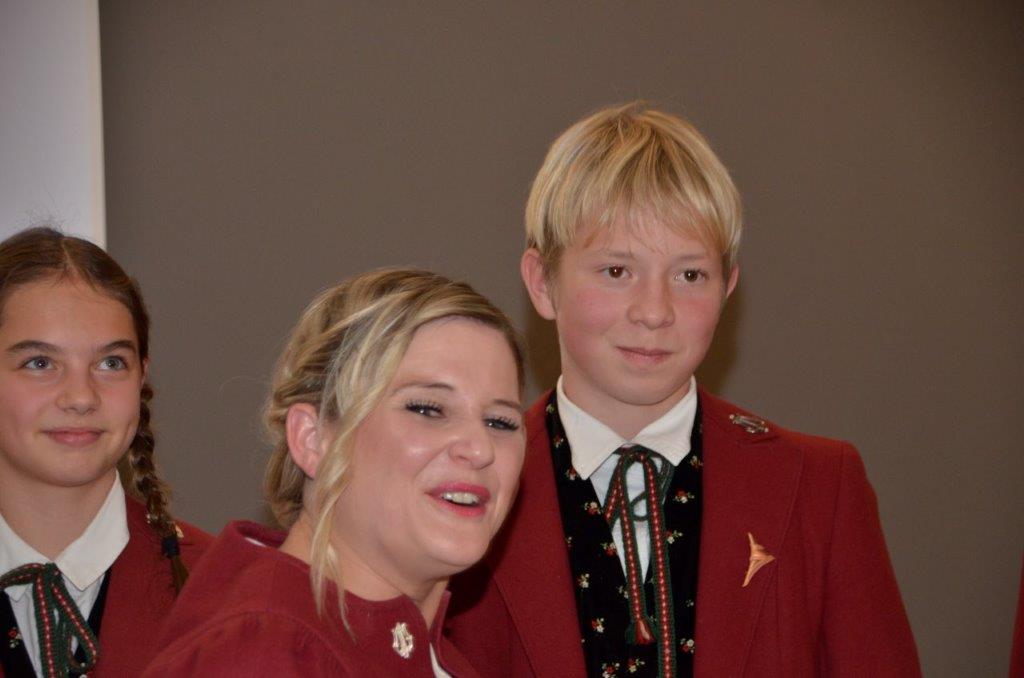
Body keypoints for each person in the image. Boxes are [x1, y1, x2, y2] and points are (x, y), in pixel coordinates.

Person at [445, 103, 921, 677]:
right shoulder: (463, 481)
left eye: (690, 275)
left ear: (727, 288)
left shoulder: (820, 487)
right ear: (543, 283)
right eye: (616, 271)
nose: (654, 311)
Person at [143, 268, 526, 677]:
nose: (480, 449)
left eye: (500, 422)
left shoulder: (433, 656)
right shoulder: (260, 653)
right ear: (312, 440)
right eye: (427, 409)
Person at [0, 226, 211, 677]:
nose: (81, 397)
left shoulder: (220, 587)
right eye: (40, 363)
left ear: (142, 377)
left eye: (110, 363)